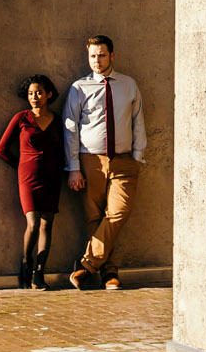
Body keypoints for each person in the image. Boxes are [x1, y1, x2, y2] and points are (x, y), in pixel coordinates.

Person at [62, 35, 145, 289]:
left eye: (101, 55)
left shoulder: (128, 85)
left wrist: (137, 158)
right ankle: (109, 273)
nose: (96, 61)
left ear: (112, 56)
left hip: (123, 161)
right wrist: (74, 168)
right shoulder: (79, 88)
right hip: (90, 161)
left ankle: (87, 265)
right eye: (92, 56)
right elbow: (70, 129)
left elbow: (138, 121)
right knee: (94, 218)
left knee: (119, 212)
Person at [0, 74, 66, 287]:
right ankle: (26, 263)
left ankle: (39, 273)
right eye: (30, 94)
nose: (34, 97)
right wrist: (21, 166)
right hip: (28, 177)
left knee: (47, 225)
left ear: (49, 94)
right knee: (33, 223)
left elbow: (62, 150)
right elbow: (2, 149)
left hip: (52, 177)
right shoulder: (21, 118)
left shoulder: (57, 120)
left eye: (38, 93)